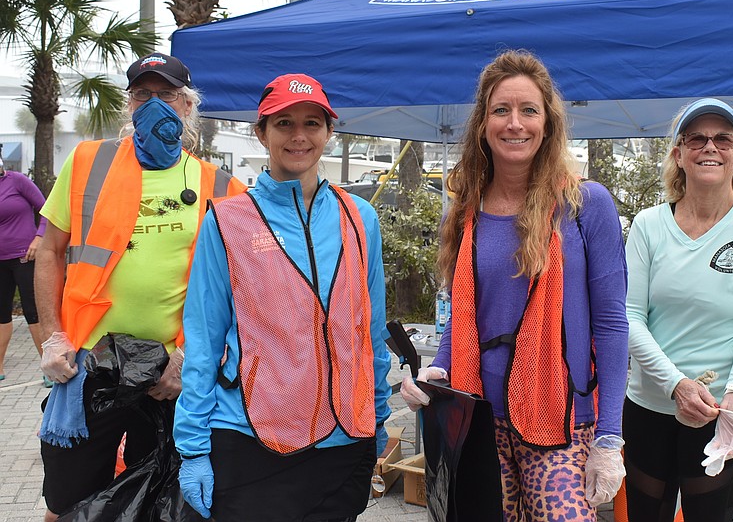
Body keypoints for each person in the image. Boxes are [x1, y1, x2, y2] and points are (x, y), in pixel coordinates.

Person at [400, 49, 630, 521]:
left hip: (561, 419)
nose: (515, 123)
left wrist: (610, 436)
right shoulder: (466, 209)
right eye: (501, 110)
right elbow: (463, 314)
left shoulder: (585, 204)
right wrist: (437, 371)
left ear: (548, 123)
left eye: (529, 110)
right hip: (479, 418)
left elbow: (610, 324)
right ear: (483, 123)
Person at [35, 52, 246, 522]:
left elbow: (231, 294)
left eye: (167, 95)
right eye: (142, 95)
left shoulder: (222, 187)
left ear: (188, 105)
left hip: (168, 374)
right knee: (66, 502)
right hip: (88, 366)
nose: (154, 104)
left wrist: (188, 360)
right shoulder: (89, 163)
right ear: (129, 104)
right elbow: (48, 251)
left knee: (158, 500)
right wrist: (52, 336)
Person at [174, 73, 392, 522]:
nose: (299, 136)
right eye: (283, 123)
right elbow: (204, 339)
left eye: (312, 123)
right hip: (252, 437)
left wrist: (379, 415)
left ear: (329, 132)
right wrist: (193, 447)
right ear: (262, 133)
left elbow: (370, 330)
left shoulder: (360, 217)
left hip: (345, 439)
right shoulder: (228, 221)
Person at [622, 98, 733, 522]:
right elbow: (630, 317)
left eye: (723, 138)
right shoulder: (648, 226)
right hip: (649, 407)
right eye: (696, 137)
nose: (709, 146)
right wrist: (676, 384)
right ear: (678, 153)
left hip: (721, 414)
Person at [0, 154, 48, 385]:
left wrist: (39, 238)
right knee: (1, 314)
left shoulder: (17, 181)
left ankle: (48, 366)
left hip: (24, 257)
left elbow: (47, 210)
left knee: (32, 312)